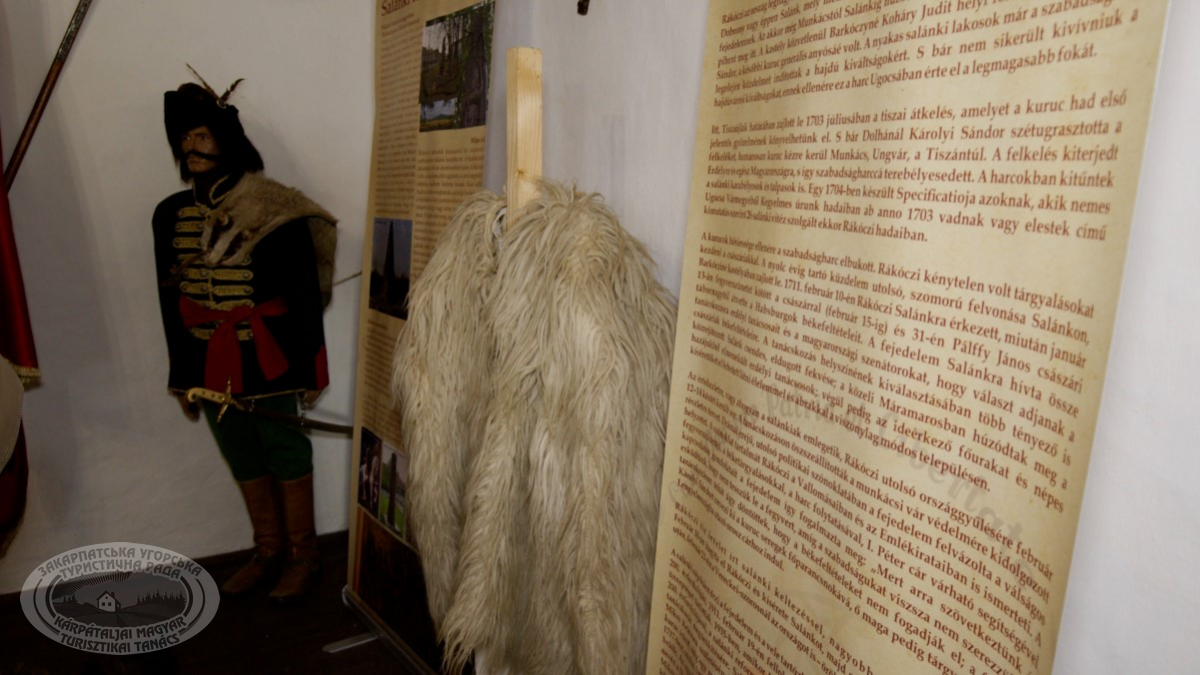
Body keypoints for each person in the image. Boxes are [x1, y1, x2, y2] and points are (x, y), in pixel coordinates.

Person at [152, 77, 336, 602]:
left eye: (203, 135)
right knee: (240, 451)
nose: (192, 146)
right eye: (186, 137)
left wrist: (312, 367)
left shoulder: (273, 207)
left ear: (227, 142)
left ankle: (304, 556)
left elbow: (303, 294)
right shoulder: (169, 215)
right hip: (206, 356)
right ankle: (268, 550)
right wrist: (180, 374)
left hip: (268, 354)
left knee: (285, 449)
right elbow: (170, 299)